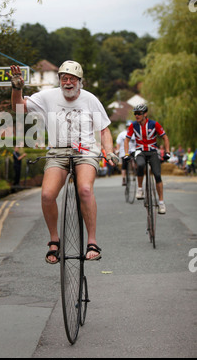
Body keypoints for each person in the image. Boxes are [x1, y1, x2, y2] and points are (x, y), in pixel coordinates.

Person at [8, 61, 119, 263]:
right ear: (59, 80)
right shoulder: (47, 96)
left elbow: (103, 129)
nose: (68, 82)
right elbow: (18, 108)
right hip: (58, 152)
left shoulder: (90, 100)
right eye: (64, 78)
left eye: (72, 79)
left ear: (80, 82)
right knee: (47, 194)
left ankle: (92, 241)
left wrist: (109, 151)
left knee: (84, 189)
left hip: (85, 151)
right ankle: (53, 240)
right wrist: (17, 88)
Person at [124, 104, 170, 214]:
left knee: (157, 175)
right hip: (140, 151)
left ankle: (161, 203)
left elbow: (165, 137)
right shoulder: (133, 125)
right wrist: (126, 153)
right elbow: (127, 140)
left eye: (139, 113)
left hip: (153, 151)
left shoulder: (154, 124)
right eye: (135, 113)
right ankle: (140, 189)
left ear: (145, 114)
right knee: (140, 165)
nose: (136, 115)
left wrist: (167, 152)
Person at [116, 121, 136, 186]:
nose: (129, 128)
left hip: (132, 150)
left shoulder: (134, 134)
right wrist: (117, 150)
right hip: (124, 151)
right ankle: (124, 178)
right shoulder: (122, 134)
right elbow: (118, 143)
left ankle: (135, 171)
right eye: (128, 126)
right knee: (124, 165)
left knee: (135, 160)